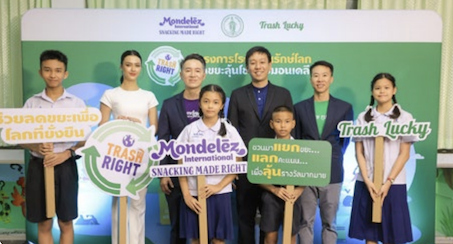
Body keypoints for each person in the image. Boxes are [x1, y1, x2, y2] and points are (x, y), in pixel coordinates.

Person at [228, 46, 293, 244]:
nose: (258, 67)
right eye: (253, 63)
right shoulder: (238, 94)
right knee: (245, 217)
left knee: (270, 220)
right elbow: (231, 133)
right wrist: (234, 167)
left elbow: (290, 130)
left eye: (262, 62)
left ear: (270, 65)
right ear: (247, 67)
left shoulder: (283, 94)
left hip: (275, 166)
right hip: (245, 165)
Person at [21, 50, 86, 244]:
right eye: (47, 70)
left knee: (66, 222)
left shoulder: (76, 104)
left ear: (65, 74)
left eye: (58, 70)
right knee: (44, 222)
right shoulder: (32, 103)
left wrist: (67, 153)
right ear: (41, 72)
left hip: (65, 167)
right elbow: (18, 136)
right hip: (38, 166)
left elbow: (86, 139)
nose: (53, 75)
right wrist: (35, 146)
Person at [99, 50, 158, 244]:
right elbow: (101, 127)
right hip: (116, 156)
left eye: (137, 65)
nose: (133, 69)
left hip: (141, 156)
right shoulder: (110, 94)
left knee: (138, 204)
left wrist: (137, 126)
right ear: (121, 66)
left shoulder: (148, 96)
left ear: (141, 68)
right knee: (119, 202)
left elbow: (154, 128)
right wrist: (119, 124)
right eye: (128, 64)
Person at [348, 73, 414, 244]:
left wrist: (388, 182)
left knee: (392, 234)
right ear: (372, 91)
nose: (382, 91)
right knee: (370, 235)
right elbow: (359, 152)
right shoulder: (363, 118)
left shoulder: (405, 118)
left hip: (393, 183)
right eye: (378, 88)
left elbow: (404, 153)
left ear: (394, 90)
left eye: (386, 87)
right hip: (366, 183)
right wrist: (368, 180)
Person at [294, 60, 353, 244]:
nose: (320, 79)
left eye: (324, 75)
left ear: (331, 79)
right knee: (305, 221)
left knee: (330, 223)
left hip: (332, 171)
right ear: (311, 79)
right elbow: (296, 140)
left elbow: (344, 141)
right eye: (316, 75)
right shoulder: (299, 108)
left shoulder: (344, 108)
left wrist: (330, 156)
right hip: (306, 171)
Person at [177, 84, 246, 244]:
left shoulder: (229, 131)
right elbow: (180, 165)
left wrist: (218, 186)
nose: (210, 106)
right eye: (206, 101)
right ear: (200, 103)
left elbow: (238, 164)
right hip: (194, 193)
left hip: (220, 193)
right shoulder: (190, 130)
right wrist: (187, 195)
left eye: (215, 102)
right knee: (196, 239)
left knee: (218, 239)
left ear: (222, 105)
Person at [157, 53, 207, 244]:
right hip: (177, 174)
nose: (192, 74)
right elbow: (162, 139)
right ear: (181, 75)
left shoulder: (215, 103)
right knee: (177, 227)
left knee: (206, 226)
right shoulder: (170, 105)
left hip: (209, 175)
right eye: (188, 70)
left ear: (203, 75)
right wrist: (164, 172)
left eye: (197, 70)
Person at [259, 105, 304, 244]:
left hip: (293, 196)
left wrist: (298, 190)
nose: (283, 126)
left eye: (287, 121)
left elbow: (309, 174)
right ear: (272, 124)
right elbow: (257, 175)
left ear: (293, 124)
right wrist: (274, 189)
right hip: (271, 196)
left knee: (290, 235)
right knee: (270, 235)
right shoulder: (264, 148)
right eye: (278, 122)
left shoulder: (303, 149)